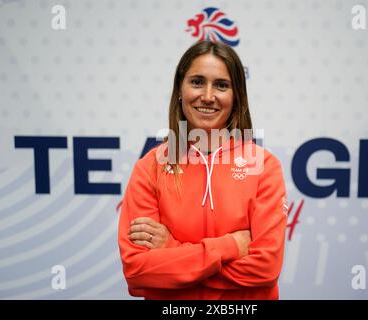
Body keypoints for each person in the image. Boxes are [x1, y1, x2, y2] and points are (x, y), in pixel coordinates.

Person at [118, 40, 288, 299]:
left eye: (221, 85)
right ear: (180, 89)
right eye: (197, 81)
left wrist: (172, 252)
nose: (208, 96)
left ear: (236, 96)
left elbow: (265, 269)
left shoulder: (263, 166)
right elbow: (138, 271)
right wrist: (231, 245)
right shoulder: (150, 167)